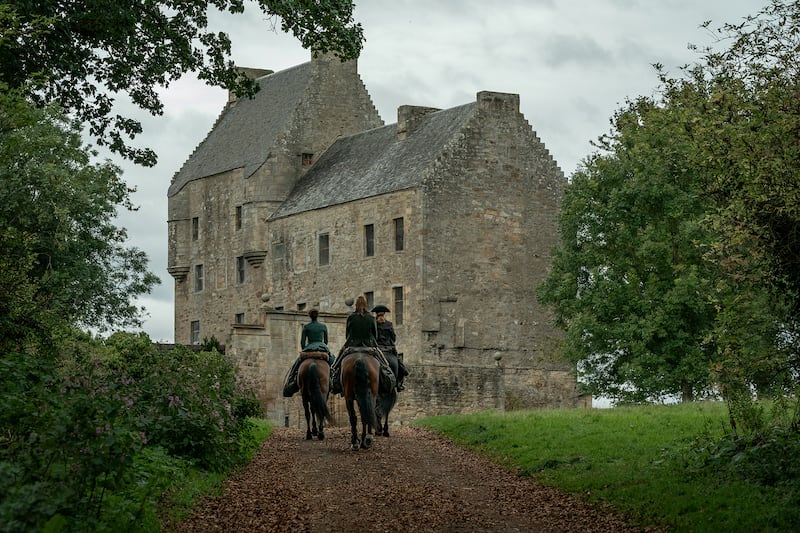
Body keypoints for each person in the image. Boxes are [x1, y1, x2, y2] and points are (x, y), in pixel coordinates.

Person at [329, 295, 393, 395]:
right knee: (385, 364)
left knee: (337, 363)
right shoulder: (371, 318)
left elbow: (347, 335)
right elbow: (375, 335)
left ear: (356, 305)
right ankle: (388, 378)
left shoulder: (351, 317)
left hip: (352, 345)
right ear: (366, 305)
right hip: (369, 345)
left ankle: (334, 379)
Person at [282, 308, 332, 397]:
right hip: (322, 347)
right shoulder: (323, 326)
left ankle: (291, 380)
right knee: (333, 360)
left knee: (297, 363)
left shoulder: (306, 327)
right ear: (317, 316)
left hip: (309, 348)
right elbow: (326, 341)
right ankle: (333, 380)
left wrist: (306, 349)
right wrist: (321, 346)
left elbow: (302, 342)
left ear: (310, 316)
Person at [373, 305, 409, 392]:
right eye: (380, 316)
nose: (381, 317)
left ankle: (399, 383)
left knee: (400, 364)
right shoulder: (388, 324)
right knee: (399, 363)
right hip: (387, 348)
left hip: (378, 348)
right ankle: (399, 383)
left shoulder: (373, 324)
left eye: (381, 316)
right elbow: (393, 338)